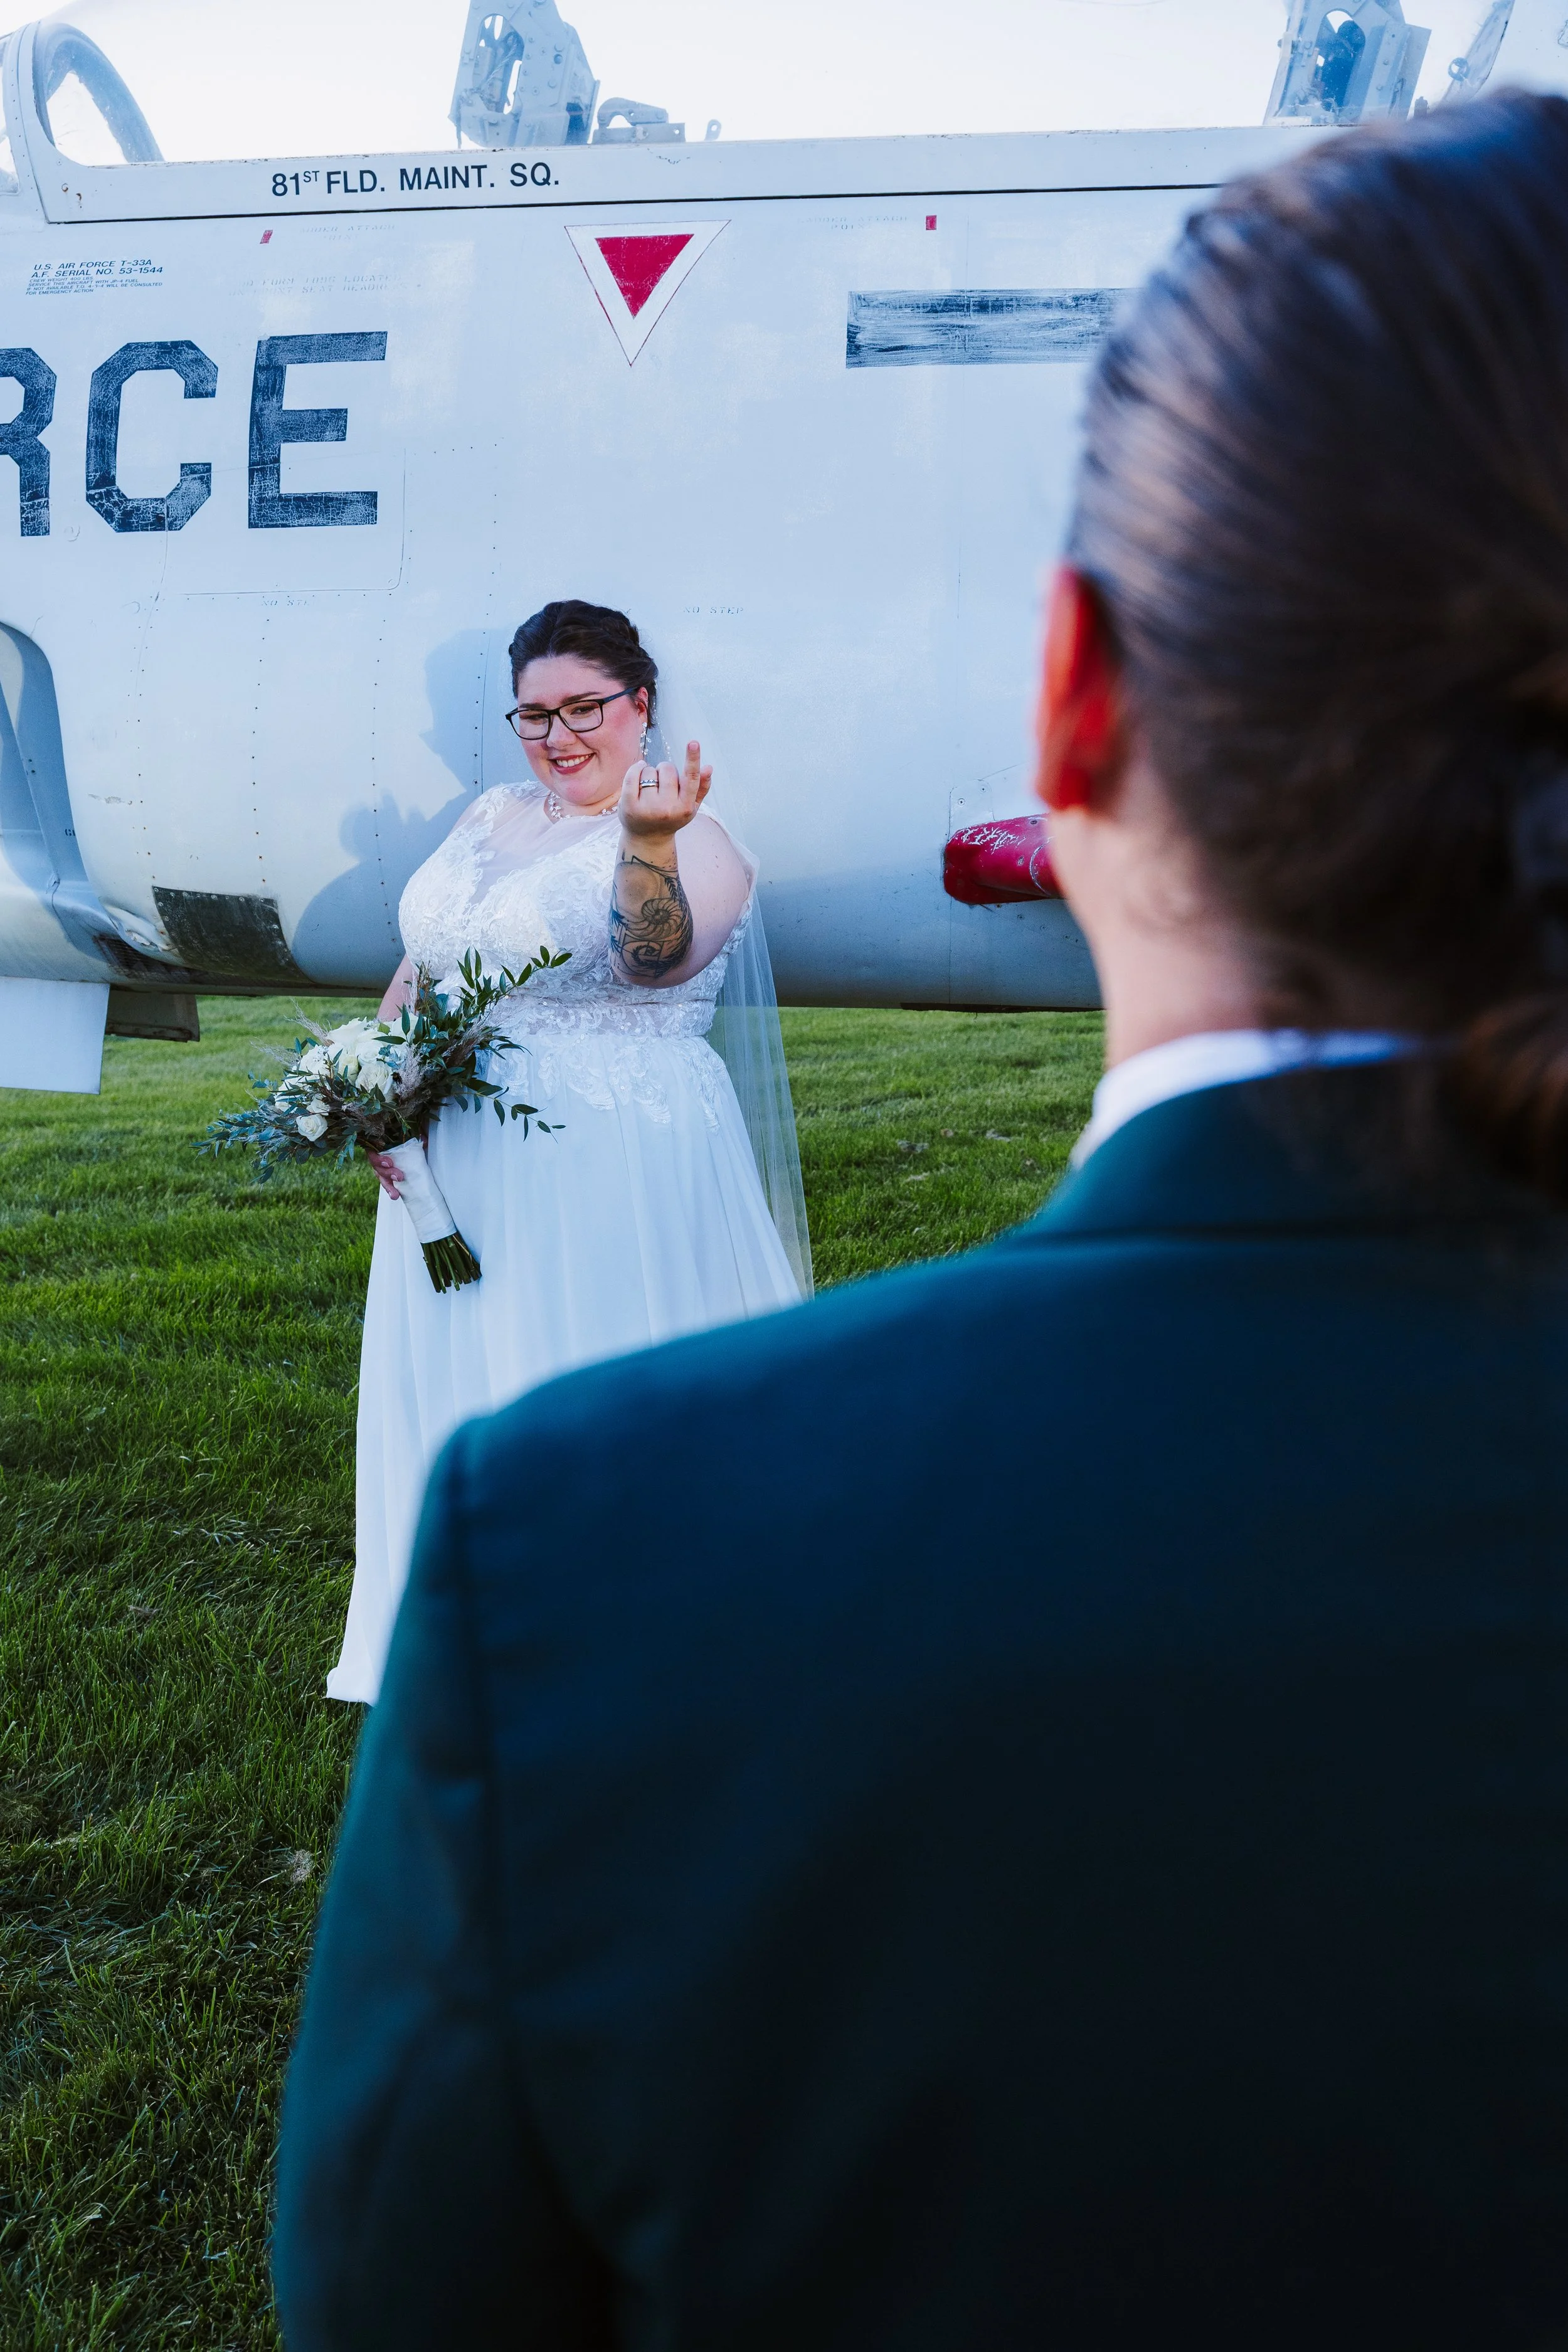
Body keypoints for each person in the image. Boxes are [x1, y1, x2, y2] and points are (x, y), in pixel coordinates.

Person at [276, 93, 1568, 2348]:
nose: (555, 731)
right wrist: (382, 1088)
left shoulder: (588, 1558)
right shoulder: (486, 837)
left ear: (1072, 708)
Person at [329, 600, 808, 1704]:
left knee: (580, 1387)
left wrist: (647, 840)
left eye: (585, 706)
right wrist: (371, 1077)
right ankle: (472, 1636)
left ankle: (620, 1648)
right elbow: (429, 958)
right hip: (457, 1162)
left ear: (640, 704)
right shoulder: (490, 814)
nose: (561, 734)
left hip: (608, 1164)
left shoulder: (697, 836)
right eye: (535, 713)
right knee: (464, 1383)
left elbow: (656, 959)